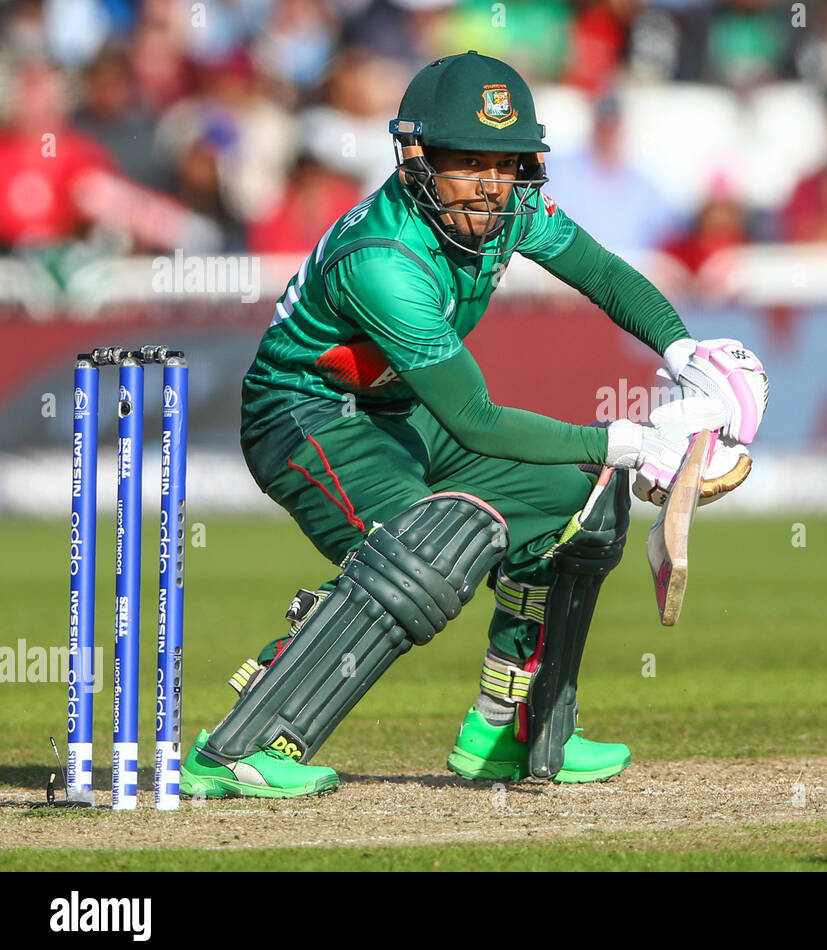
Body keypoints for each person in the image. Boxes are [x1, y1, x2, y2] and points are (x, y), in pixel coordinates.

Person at [179, 51, 763, 798]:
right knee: (425, 551)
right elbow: (477, 419)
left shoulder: (509, 206)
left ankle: (507, 726)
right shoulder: (383, 259)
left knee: (577, 496)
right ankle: (242, 744)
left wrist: (682, 351)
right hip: (303, 414)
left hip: (400, 408)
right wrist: (627, 441)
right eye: (467, 161)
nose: (490, 184)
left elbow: (605, 273)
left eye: (507, 161)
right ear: (417, 157)